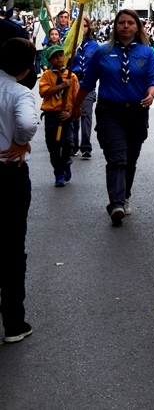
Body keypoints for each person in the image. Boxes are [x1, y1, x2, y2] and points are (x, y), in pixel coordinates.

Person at [72, 9, 154, 226]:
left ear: (137, 27)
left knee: (131, 158)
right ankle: (116, 204)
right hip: (110, 112)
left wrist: (150, 94)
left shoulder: (147, 53)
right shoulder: (102, 52)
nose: (126, 26)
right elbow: (87, 83)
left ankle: (125, 195)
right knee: (117, 158)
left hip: (137, 112)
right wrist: (75, 107)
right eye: (122, 22)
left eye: (130, 23)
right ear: (115, 26)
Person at [0, 38, 38, 344]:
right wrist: (21, 141)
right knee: (11, 246)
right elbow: (26, 122)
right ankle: (13, 321)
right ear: (26, 70)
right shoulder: (19, 92)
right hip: (7, 173)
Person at [39, 46, 78, 187]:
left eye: (61, 55)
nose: (59, 58)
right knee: (53, 145)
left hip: (66, 115)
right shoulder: (47, 76)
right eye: (56, 56)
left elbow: (76, 98)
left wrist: (70, 112)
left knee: (68, 143)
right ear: (50, 60)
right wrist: (62, 86)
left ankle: (66, 162)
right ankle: (59, 173)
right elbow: (44, 92)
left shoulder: (71, 76)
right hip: (52, 115)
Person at [71, 18, 100, 159]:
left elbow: (98, 65)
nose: (83, 29)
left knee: (86, 114)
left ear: (89, 28)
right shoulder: (70, 44)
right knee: (74, 115)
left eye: (85, 26)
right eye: (79, 26)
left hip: (87, 82)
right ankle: (74, 144)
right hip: (72, 82)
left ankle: (86, 146)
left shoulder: (94, 45)